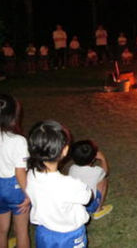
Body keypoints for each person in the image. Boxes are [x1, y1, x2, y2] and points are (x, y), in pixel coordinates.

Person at [26, 120, 91, 248]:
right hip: (70, 234)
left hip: (44, 232)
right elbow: (87, 197)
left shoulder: (30, 175)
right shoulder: (68, 184)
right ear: (65, 150)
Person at [0, 94, 30, 248]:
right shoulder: (18, 141)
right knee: (21, 231)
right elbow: (20, 172)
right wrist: (28, 194)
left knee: (1, 230)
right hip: (14, 187)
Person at [69, 140, 113, 220]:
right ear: (93, 158)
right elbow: (105, 172)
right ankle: (98, 211)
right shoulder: (96, 171)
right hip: (88, 206)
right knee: (104, 181)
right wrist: (103, 159)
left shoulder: (72, 168)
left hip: (75, 206)